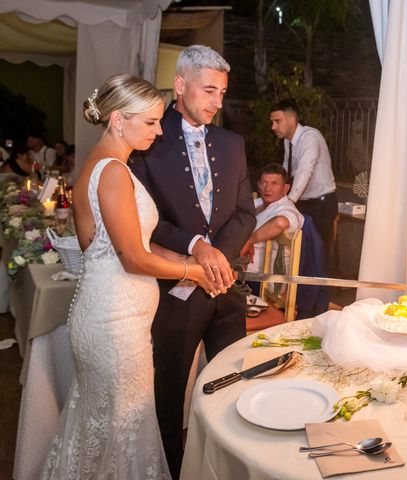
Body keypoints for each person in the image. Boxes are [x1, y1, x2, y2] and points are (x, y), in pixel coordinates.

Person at [40, 74, 215, 478]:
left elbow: (121, 244)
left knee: (105, 425)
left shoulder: (101, 166)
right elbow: (133, 258)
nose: (159, 129)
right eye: (151, 121)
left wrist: (186, 258)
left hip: (109, 316)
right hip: (114, 327)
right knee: (125, 427)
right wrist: (193, 271)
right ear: (118, 119)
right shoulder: (114, 172)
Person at [129, 45, 255, 478]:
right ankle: (171, 469)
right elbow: (146, 219)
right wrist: (197, 246)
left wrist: (218, 259)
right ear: (180, 85)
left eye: (222, 92)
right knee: (168, 391)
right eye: (209, 90)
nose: (217, 102)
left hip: (228, 290)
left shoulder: (232, 143)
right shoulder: (147, 138)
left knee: (233, 385)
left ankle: (231, 465)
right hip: (176, 292)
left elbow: (245, 212)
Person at [269, 98, 338, 254]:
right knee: (299, 251)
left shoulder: (310, 137)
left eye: (277, 121)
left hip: (321, 204)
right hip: (304, 203)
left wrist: (289, 201)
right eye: (272, 122)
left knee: (318, 252)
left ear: (291, 119)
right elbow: (286, 172)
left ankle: (321, 277)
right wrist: (276, 195)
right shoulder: (288, 141)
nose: (273, 127)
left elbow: (304, 171)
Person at [240, 163, 304, 292]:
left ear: (285, 189)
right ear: (258, 185)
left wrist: (249, 241)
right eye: (264, 182)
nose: (267, 188)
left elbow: (281, 222)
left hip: (260, 282)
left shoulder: (286, 209)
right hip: (241, 272)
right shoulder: (257, 203)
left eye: (274, 183)